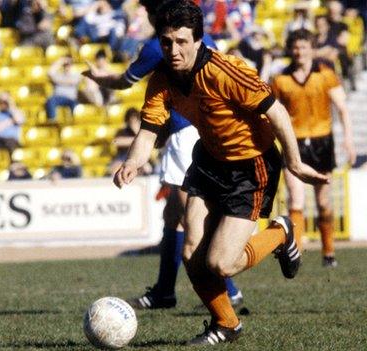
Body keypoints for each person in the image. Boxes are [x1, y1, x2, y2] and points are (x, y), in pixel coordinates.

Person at [114, 0, 328, 344]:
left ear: (198, 40)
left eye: (182, 41)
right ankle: (226, 324)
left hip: (251, 166)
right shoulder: (161, 80)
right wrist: (132, 162)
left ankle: (281, 232)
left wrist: (293, 161)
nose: (173, 50)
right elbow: (150, 130)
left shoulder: (226, 71)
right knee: (192, 254)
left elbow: (278, 115)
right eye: (167, 42)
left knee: (222, 265)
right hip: (209, 162)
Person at [83, 0, 244, 311]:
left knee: (192, 219)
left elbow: (123, 82)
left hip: (188, 134)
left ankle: (228, 289)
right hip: (202, 129)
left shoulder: (160, 46)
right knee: (174, 215)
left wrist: (98, 76)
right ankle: (165, 292)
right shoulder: (195, 37)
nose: (145, 16)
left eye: (147, 9)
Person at [271, 29, 356, 267]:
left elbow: (342, 108)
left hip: (322, 141)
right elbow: (272, 114)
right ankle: (295, 255)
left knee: (323, 202)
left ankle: (328, 252)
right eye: (296, 47)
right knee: (296, 200)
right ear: (290, 49)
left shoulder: (325, 74)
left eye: (304, 46)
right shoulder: (280, 79)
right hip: (293, 142)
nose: (299, 51)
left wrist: (348, 139)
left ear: (311, 48)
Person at [45, 56, 82, 121]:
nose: (67, 66)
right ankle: (52, 121)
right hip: (58, 97)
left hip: (71, 99)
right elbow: (49, 72)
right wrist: (60, 61)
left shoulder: (76, 75)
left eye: (68, 64)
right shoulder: (59, 74)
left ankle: (75, 122)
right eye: (65, 65)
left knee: (76, 104)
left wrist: (58, 81)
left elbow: (73, 81)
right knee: (50, 101)